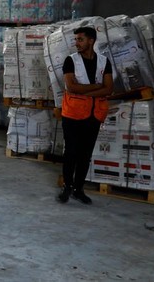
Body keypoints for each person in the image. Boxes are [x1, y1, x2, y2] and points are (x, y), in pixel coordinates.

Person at [58, 26, 113, 205]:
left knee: (85, 153)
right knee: (71, 151)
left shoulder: (104, 62)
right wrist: (98, 87)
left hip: (94, 114)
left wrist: (85, 91)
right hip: (73, 113)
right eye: (76, 40)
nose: (77, 43)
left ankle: (78, 189)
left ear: (91, 41)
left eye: (80, 39)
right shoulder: (70, 60)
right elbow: (71, 87)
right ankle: (67, 186)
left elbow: (109, 88)